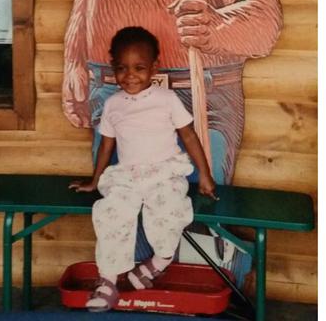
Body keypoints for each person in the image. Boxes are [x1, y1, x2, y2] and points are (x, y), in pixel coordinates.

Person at [69, 26, 217, 312]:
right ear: (113, 68)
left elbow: (189, 136)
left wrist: (206, 175)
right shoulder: (113, 105)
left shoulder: (167, 100)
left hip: (164, 172)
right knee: (111, 212)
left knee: (169, 210)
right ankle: (108, 280)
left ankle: (157, 262)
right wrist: (94, 180)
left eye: (139, 67)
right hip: (127, 175)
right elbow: (107, 147)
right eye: (122, 68)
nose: (130, 75)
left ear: (154, 68)